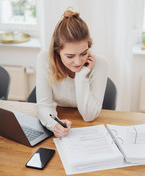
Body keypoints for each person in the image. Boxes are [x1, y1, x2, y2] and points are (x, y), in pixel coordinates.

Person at [36, 8, 108, 138]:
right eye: (70, 56)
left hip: (86, 127)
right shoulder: (44, 59)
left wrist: (81, 76)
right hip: (59, 121)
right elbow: (44, 105)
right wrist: (54, 125)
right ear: (58, 51)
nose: (78, 62)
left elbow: (89, 116)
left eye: (84, 53)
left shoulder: (100, 64)